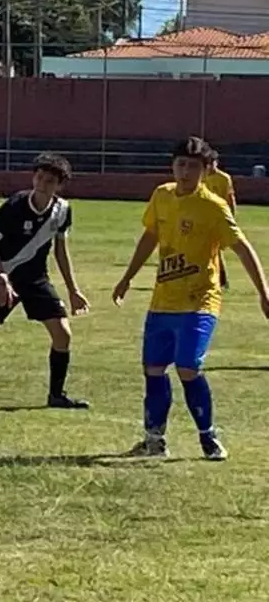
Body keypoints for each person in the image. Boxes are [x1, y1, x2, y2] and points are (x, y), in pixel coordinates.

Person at [113, 136, 269, 460]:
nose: (185, 172)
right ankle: (154, 439)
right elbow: (150, 236)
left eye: (193, 167)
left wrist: (263, 291)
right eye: (181, 164)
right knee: (153, 368)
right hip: (162, 302)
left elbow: (242, 247)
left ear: (206, 170)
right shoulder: (161, 196)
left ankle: (208, 436)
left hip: (200, 301)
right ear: (172, 165)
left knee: (187, 367)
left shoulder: (213, 206)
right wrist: (127, 277)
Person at [0, 153, 90, 408]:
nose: (42, 183)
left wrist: (73, 290)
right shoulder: (15, 205)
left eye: (49, 180)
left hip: (36, 280)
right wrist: (1, 278)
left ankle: (56, 396)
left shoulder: (62, 211)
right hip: (4, 278)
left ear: (59, 185)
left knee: (63, 335)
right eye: (39, 177)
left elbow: (61, 250)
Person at [204, 153, 236, 289]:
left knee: (216, 249)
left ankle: (222, 279)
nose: (210, 166)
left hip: (218, 217)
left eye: (212, 163)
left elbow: (230, 198)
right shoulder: (202, 177)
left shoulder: (224, 178)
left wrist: (231, 217)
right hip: (203, 217)